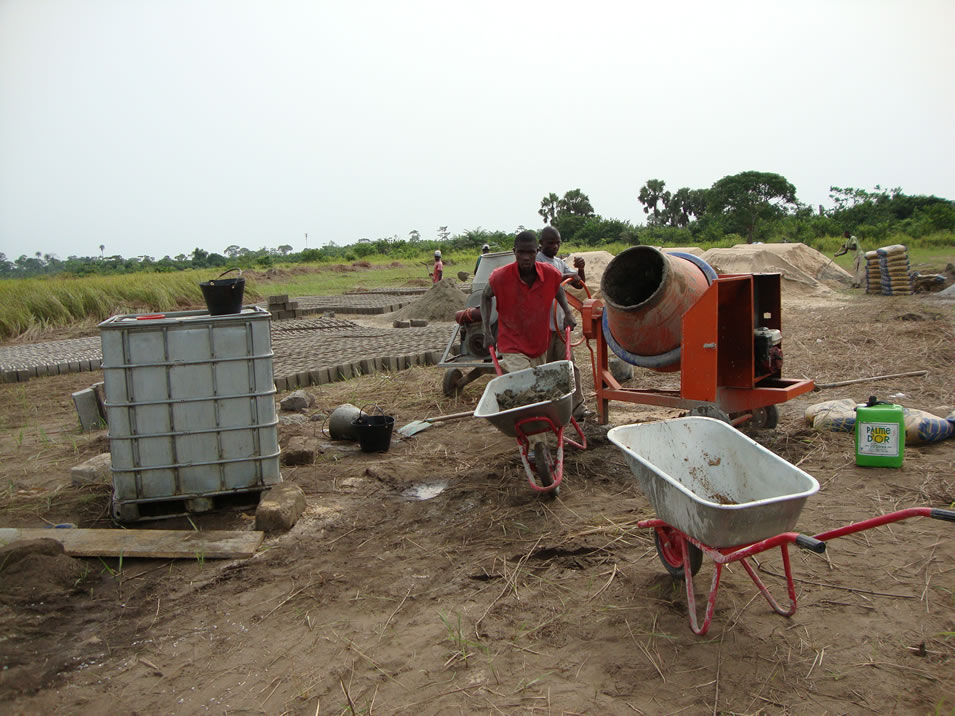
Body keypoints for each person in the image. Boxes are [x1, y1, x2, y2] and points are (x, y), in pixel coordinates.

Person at [481, 231, 576, 485]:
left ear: (536, 252)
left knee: (539, 395)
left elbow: (558, 290)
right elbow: (485, 296)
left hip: (538, 343)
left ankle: (539, 436)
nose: (525, 257)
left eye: (530, 252)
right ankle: (539, 447)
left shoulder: (550, 273)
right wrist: (486, 330)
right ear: (514, 252)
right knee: (528, 392)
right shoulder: (500, 277)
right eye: (521, 252)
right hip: (511, 345)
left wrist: (567, 312)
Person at [537, 226, 586, 418]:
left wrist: (580, 269)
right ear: (541, 243)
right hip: (542, 328)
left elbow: (577, 282)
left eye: (558, 242)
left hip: (560, 326)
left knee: (570, 367)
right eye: (551, 242)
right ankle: (546, 411)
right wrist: (566, 276)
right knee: (545, 370)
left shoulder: (559, 262)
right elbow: (550, 280)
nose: (555, 246)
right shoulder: (537, 261)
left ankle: (578, 407)